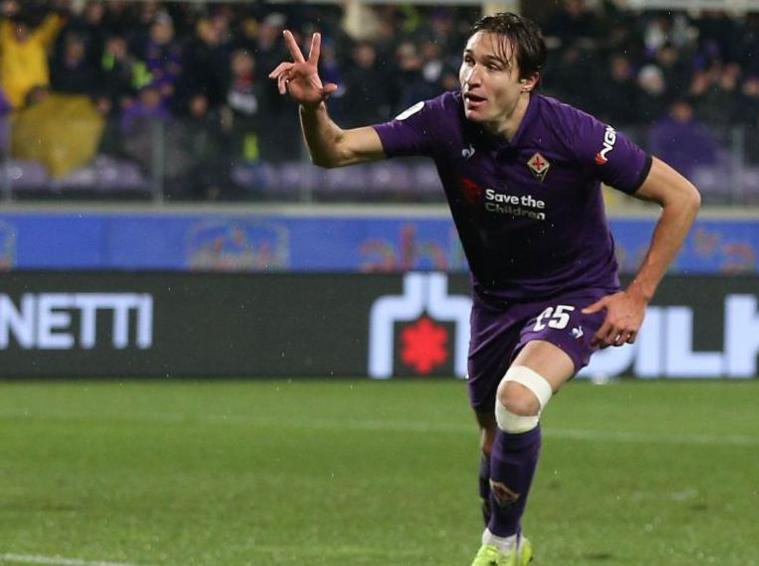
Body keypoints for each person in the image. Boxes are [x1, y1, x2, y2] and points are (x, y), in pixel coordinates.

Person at [269, 13, 700, 565]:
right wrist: (313, 107)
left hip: (577, 293)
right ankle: (511, 541)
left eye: (493, 66)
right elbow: (334, 152)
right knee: (495, 438)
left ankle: (496, 546)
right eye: (469, 60)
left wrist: (636, 295)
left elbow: (682, 197)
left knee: (517, 401)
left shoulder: (574, 134)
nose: (473, 76)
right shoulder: (442, 118)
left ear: (527, 81)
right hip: (496, 303)